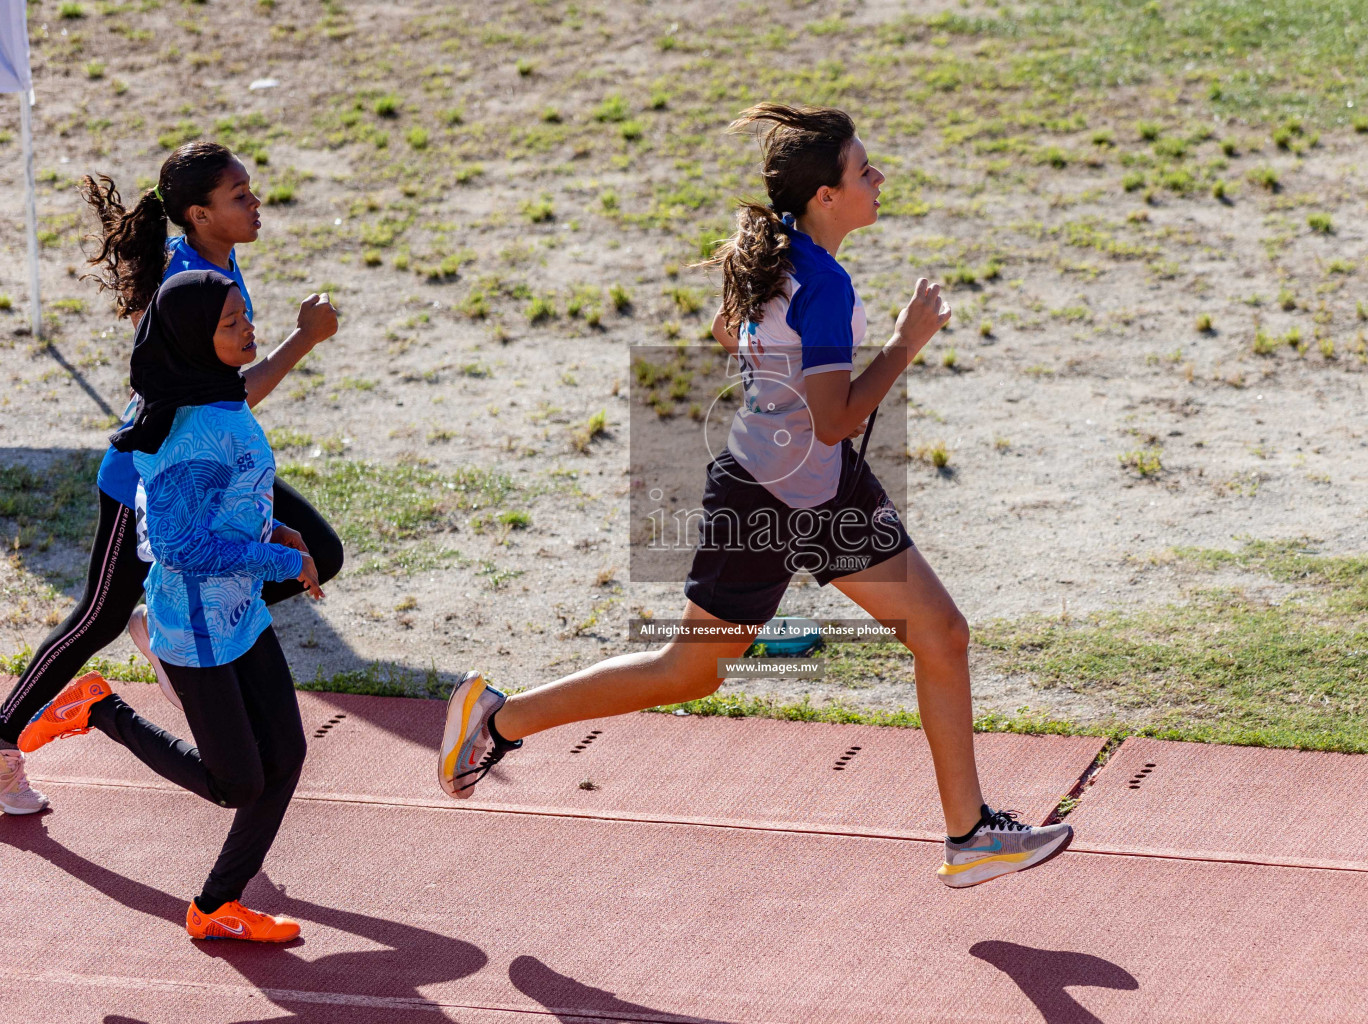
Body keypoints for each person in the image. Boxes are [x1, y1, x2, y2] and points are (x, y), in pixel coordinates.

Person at [437, 104, 1072, 889]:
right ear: (825, 198)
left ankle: (969, 834)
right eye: (863, 171)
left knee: (940, 633)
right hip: (767, 501)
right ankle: (497, 718)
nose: (879, 179)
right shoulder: (823, 281)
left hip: (817, 490)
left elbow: (724, 329)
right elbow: (836, 418)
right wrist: (906, 343)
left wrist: (773, 381)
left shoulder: (784, 257)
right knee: (691, 671)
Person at [0, 142, 340, 815]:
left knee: (317, 553)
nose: (255, 202)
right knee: (97, 616)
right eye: (239, 195)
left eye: (250, 189)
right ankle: (5, 737)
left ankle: (166, 622)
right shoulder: (186, 278)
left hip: (211, 475)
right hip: (151, 482)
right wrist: (304, 339)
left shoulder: (218, 257)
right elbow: (226, 394)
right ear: (199, 214)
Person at [19, 271, 321, 941]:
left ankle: (216, 905)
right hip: (195, 629)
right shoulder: (190, 436)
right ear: (191, 340)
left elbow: (217, 511)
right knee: (236, 784)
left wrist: (273, 529)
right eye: (230, 324)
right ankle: (100, 709)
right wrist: (281, 560)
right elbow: (181, 548)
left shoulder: (219, 399)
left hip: (239, 613)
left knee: (288, 757)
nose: (248, 330)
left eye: (245, 314)